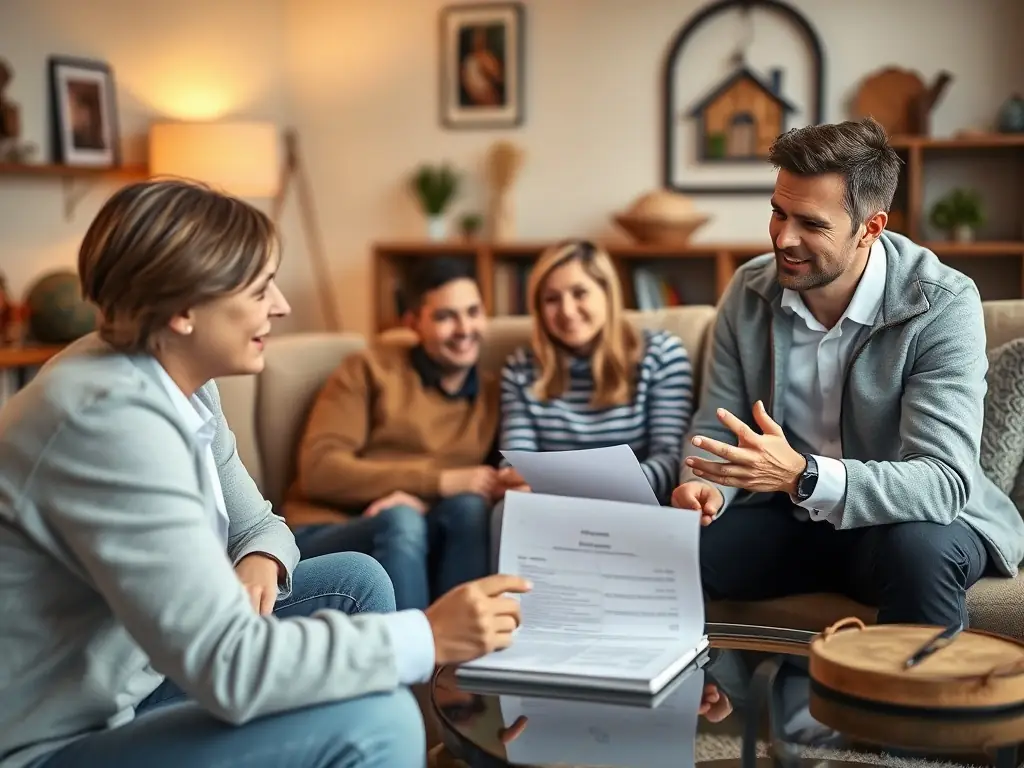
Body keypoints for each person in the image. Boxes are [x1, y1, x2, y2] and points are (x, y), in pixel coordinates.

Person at [0, 179, 530, 768]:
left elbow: (262, 525)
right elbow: (229, 664)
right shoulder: (109, 421)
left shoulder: (183, 387)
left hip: (144, 677)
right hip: (53, 741)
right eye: (259, 290)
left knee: (356, 580)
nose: (281, 305)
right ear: (182, 311)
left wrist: (261, 561)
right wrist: (429, 635)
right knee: (379, 721)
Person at [673, 117, 1024, 629]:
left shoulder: (942, 303)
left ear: (871, 228)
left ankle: (913, 708)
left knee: (920, 553)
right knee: (673, 551)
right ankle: (688, 695)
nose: (783, 238)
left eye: (811, 225)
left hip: (901, 524)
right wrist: (709, 487)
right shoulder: (749, 290)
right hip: (789, 521)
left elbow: (944, 482)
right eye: (778, 212)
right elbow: (716, 427)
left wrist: (803, 475)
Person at [287, 258, 511, 612]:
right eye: (445, 317)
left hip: (417, 526)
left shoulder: (494, 394)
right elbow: (319, 469)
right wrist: (437, 482)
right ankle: (412, 660)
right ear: (413, 323)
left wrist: (425, 497)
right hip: (327, 528)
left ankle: (460, 658)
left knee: (469, 509)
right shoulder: (368, 370)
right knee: (401, 519)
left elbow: (484, 483)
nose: (464, 328)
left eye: (473, 312)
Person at [498, 239, 694, 505]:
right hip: (551, 508)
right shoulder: (521, 369)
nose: (567, 311)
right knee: (503, 511)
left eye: (579, 293)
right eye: (552, 299)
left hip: (633, 504)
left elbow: (670, 460)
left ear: (607, 294)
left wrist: (579, 490)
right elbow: (515, 463)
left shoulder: (661, 355)